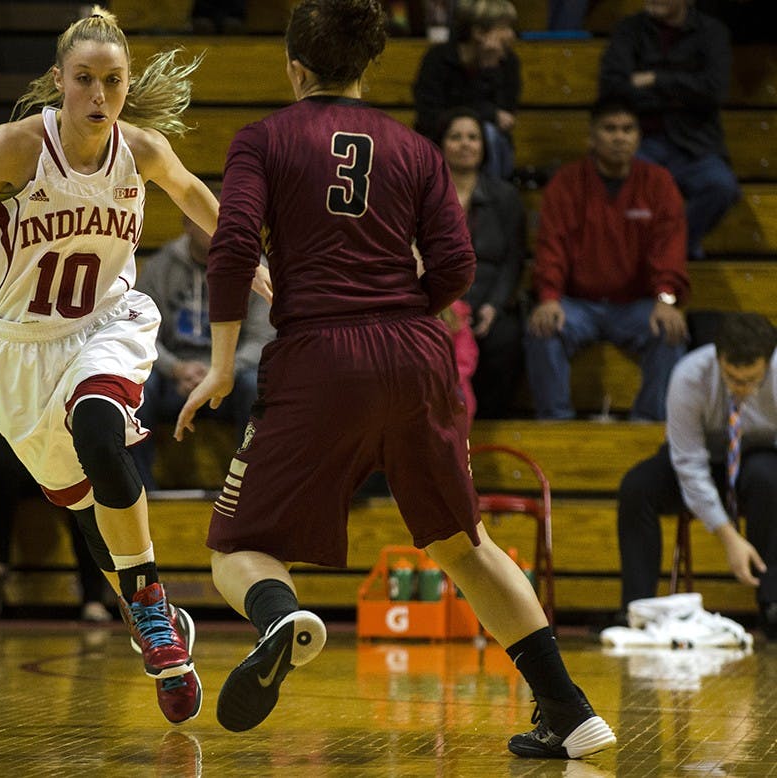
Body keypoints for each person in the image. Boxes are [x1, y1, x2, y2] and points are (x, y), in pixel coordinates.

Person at [176, 0, 616, 759]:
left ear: (294, 65)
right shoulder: (416, 149)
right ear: (367, 67)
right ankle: (569, 710)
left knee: (237, 546)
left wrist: (221, 365)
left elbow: (234, 245)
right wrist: (399, 314)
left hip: (319, 357)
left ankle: (280, 617)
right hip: (417, 353)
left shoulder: (263, 141)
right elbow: (458, 267)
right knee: (464, 544)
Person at [0, 6, 247, 725]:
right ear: (58, 84)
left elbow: (196, 195)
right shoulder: (12, 148)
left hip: (105, 325)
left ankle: (151, 607)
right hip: (16, 350)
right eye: (84, 80)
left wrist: (247, 257)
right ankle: (149, 614)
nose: (99, 96)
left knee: (101, 432)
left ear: (126, 86)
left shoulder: (143, 151)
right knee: (85, 511)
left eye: (113, 81)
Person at [524, 96, 690, 421]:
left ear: (638, 137)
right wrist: (548, 297)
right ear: (592, 136)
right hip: (577, 304)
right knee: (542, 329)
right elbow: (550, 246)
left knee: (671, 331)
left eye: (627, 129)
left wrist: (666, 299)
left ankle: (648, 425)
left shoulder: (658, 183)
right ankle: (555, 424)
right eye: (610, 128)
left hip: (635, 305)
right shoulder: (567, 183)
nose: (619, 136)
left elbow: (669, 248)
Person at [617, 312, 777, 639]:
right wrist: (728, 536)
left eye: (752, 381)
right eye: (733, 378)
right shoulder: (689, 375)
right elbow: (688, 463)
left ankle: (773, 606)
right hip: (701, 459)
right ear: (718, 359)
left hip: (757, 462)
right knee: (636, 487)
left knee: (768, 479)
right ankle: (637, 611)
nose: (742, 389)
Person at [0, 344, 112, 623]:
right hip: (12, 442)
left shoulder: (65, 337)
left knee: (83, 469)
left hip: (60, 439)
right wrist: (27, 427)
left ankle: (93, 597)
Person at [132, 205, 274, 490]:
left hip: (231, 375)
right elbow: (140, 332)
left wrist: (220, 369)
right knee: (136, 387)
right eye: (205, 219)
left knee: (257, 385)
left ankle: (252, 490)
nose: (215, 229)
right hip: (175, 376)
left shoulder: (255, 269)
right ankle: (141, 494)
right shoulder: (160, 267)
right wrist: (175, 368)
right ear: (187, 224)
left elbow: (262, 339)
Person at [598, 0, 740, 260]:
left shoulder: (711, 32)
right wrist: (682, 92)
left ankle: (671, 249)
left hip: (694, 143)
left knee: (722, 186)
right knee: (618, 185)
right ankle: (670, 252)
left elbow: (714, 90)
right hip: (642, 142)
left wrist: (654, 79)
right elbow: (612, 88)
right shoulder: (629, 30)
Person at [438, 106, 525, 419]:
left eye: (473, 137)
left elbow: (513, 259)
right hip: (439, 302)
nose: (465, 144)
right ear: (442, 144)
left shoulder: (505, 197)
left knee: (506, 337)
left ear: (484, 146)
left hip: (487, 297)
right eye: (456, 136)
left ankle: (489, 420)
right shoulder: (424, 193)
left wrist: (494, 306)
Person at [413, 0, 520, 179]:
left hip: (488, 148)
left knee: (490, 135)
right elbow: (429, 116)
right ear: (478, 32)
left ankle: (490, 199)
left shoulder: (507, 63)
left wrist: (489, 69)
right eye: (504, 27)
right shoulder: (438, 59)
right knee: (467, 135)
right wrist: (488, 112)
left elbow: (506, 118)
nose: (511, 34)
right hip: (439, 141)